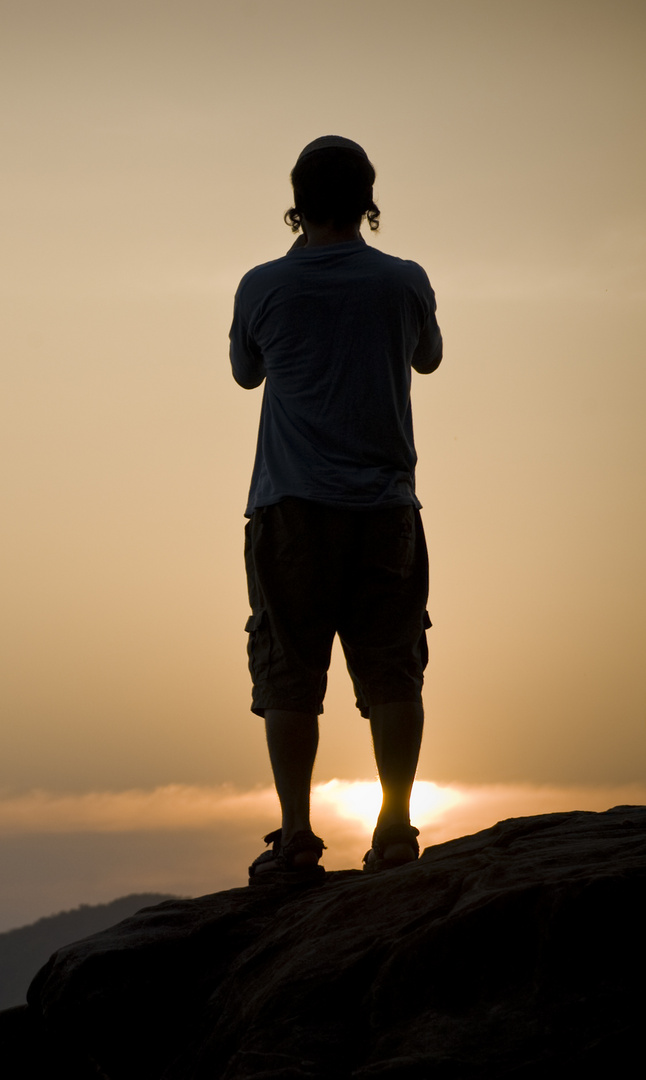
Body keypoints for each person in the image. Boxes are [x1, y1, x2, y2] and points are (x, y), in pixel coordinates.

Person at [229, 135, 443, 884]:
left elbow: (244, 373)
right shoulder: (404, 282)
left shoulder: (263, 287)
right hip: (385, 505)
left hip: (290, 507)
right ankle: (392, 827)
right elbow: (429, 357)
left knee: (288, 670)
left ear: (297, 203)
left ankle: (294, 837)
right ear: (368, 199)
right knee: (394, 668)